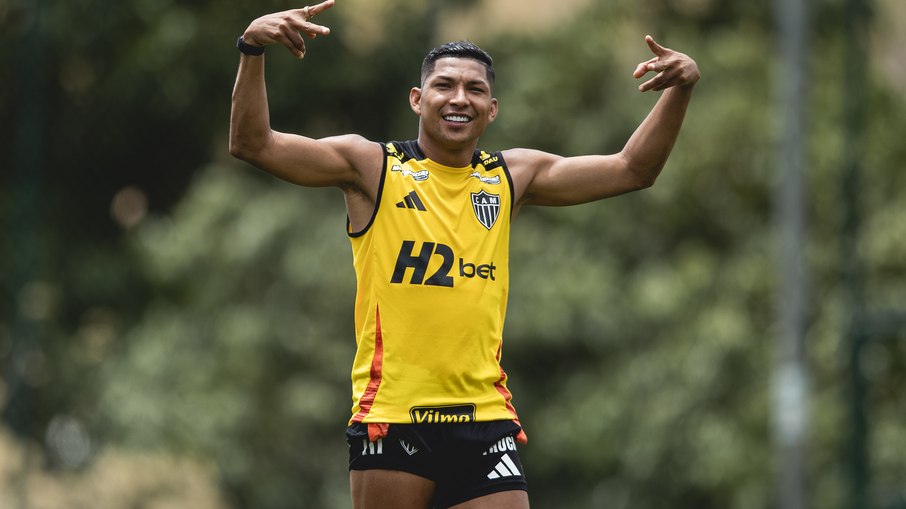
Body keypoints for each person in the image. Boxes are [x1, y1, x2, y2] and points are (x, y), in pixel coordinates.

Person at [229, 1, 700, 507]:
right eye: (445, 86)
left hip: (484, 416)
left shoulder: (512, 176)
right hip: (395, 415)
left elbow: (632, 170)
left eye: (476, 89)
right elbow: (253, 144)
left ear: (492, 108)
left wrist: (682, 87)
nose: (460, 99)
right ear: (417, 98)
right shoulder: (370, 167)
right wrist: (252, 48)